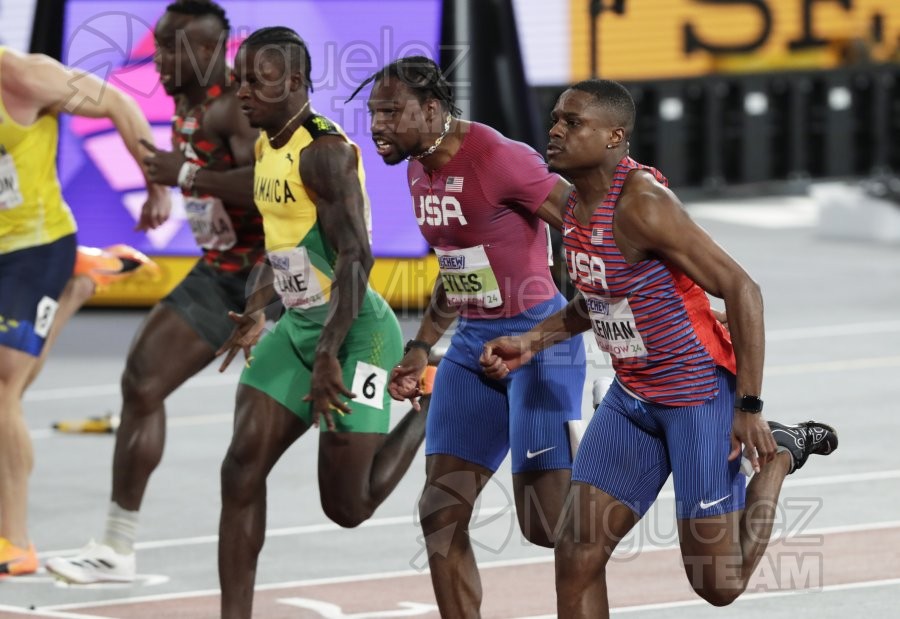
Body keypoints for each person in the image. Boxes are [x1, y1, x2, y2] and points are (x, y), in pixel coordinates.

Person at [480, 79, 839, 617]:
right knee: (577, 554)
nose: (554, 130)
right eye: (555, 118)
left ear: (613, 137)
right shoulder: (576, 206)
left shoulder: (643, 203)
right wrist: (531, 340)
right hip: (632, 400)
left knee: (717, 584)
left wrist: (749, 407)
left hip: (696, 399)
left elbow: (742, 289)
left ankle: (779, 457)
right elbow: (597, 299)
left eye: (572, 122)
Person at [355, 56, 586, 616]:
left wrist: (593, 308)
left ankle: (628, 456)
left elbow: (587, 225)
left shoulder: (499, 158)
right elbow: (459, 269)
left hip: (537, 344)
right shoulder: (418, 164)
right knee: (440, 510)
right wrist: (419, 346)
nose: (377, 126)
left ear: (431, 110)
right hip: (468, 348)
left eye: (390, 112)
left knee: (547, 526)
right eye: (372, 113)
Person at [45, 0, 266, 584]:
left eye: (175, 47)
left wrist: (186, 178)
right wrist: (160, 190)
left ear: (216, 52)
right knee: (142, 380)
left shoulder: (235, 108)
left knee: (327, 471)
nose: (160, 58)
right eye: (160, 44)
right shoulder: (183, 93)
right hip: (220, 266)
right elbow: (176, 160)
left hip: (265, 276)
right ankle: (117, 548)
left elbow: (267, 189)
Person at [216, 28, 428, 619]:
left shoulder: (325, 152)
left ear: (296, 82)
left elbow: (357, 257)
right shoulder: (266, 146)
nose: (242, 94)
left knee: (348, 507)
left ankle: (431, 405)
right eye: (238, 82)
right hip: (301, 326)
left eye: (255, 81)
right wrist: (259, 306)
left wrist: (331, 350)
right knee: (240, 468)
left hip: (357, 331)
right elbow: (289, 245)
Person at [0, 45, 164, 576]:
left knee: (1, 390)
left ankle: (14, 543)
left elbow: (119, 103)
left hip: (32, 248)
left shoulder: (23, 77)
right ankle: (77, 284)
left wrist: (154, 183)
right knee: (11, 395)